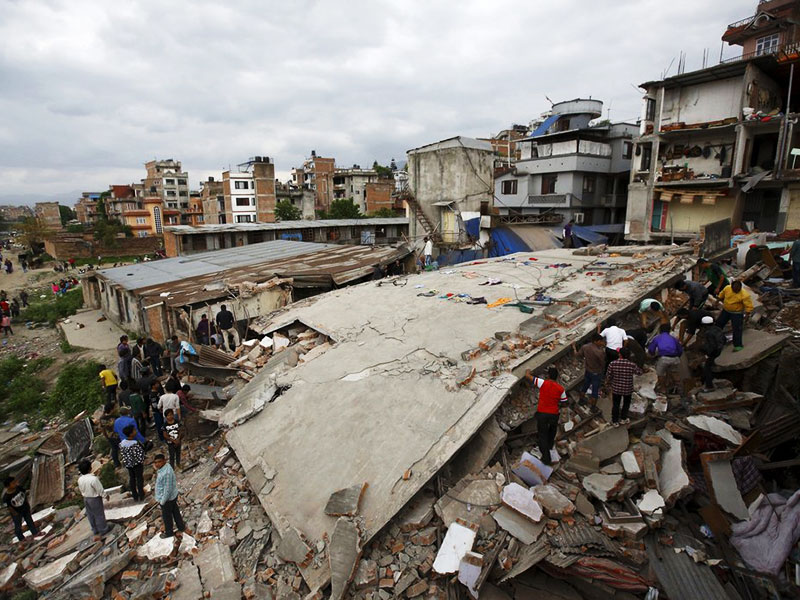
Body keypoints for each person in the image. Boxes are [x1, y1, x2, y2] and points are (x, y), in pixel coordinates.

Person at [524, 366, 567, 466]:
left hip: (543, 414)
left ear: (548, 375)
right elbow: (564, 402)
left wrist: (528, 369)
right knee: (551, 433)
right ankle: (549, 447)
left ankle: (546, 458)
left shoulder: (543, 383)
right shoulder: (561, 389)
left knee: (542, 435)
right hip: (554, 415)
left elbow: (527, 376)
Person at [605, 347, 643, 426]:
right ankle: (623, 418)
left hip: (616, 388)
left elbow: (608, 376)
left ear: (619, 355)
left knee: (616, 404)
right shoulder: (632, 365)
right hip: (627, 389)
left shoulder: (613, 364)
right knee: (626, 404)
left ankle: (615, 421)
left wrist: (608, 383)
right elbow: (639, 373)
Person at [153, 453, 186, 538]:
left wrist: (162, 501)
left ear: (164, 461)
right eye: (156, 462)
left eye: (159, 462)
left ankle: (169, 532)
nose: (157, 464)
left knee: (167, 517)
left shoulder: (166, 472)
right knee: (175, 512)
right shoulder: (165, 468)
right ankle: (181, 527)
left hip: (167, 499)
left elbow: (167, 489)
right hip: (171, 496)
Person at [716, 280, 754, 351]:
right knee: (718, 324)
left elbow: (749, 306)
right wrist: (717, 301)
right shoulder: (727, 288)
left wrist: (747, 316)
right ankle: (717, 340)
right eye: (735, 289)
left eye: (738, 290)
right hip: (726, 311)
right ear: (731, 287)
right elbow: (721, 294)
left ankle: (738, 345)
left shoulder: (745, 295)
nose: (736, 291)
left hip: (737, 313)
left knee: (737, 329)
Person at [77, 460, 110, 539]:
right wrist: (105, 496)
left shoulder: (80, 479)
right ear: (90, 468)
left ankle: (95, 529)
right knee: (99, 514)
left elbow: (81, 489)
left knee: (90, 515)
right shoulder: (93, 479)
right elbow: (99, 490)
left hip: (86, 498)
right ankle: (103, 529)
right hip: (94, 498)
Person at [647, 324, 684, 393]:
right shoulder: (673, 338)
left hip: (664, 358)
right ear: (669, 330)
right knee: (674, 373)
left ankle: (663, 389)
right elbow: (680, 350)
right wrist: (677, 356)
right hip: (675, 358)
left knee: (661, 374)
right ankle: (680, 389)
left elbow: (651, 349)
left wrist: (652, 355)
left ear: (660, 330)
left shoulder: (657, 338)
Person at [3, 476, 39, 543]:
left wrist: (27, 503)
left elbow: (24, 493)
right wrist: (14, 513)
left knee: (30, 521)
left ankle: (35, 533)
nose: (15, 484)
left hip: (25, 508)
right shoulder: (6, 497)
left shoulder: (18, 488)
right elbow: (9, 507)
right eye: (13, 483)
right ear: (8, 486)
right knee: (18, 525)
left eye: (15, 482)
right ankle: (21, 538)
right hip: (17, 512)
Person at [576, 334, 605, 407]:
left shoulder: (585, 347)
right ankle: (593, 407)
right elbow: (602, 363)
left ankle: (581, 400)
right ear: (596, 341)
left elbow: (579, 355)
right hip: (596, 373)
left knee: (585, 386)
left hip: (588, 370)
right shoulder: (599, 352)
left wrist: (573, 348)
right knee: (595, 391)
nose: (602, 343)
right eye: (600, 341)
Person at [700, 316, 726, 392]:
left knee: (707, 368)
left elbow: (712, 346)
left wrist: (708, 354)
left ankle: (709, 386)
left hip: (715, 352)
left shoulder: (708, 333)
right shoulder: (718, 329)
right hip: (721, 349)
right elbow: (724, 339)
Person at [120, 425, 145, 501]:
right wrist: (142, 459)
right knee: (139, 479)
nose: (135, 431)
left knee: (132, 479)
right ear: (131, 434)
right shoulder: (135, 443)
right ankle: (141, 494)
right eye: (134, 430)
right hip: (137, 464)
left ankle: (135, 495)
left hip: (129, 464)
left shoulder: (122, 443)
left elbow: (123, 454)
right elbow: (140, 453)